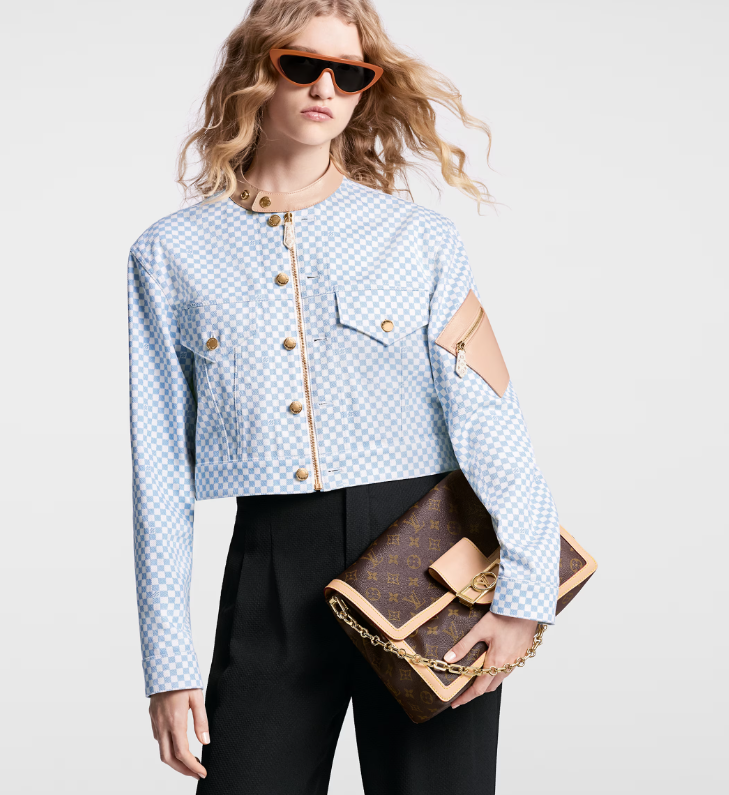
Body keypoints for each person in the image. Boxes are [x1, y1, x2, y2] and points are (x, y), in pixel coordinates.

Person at [126, 1, 561, 792]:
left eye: (350, 74)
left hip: (426, 563)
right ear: (254, 72)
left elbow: (490, 416)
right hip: (271, 568)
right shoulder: (169, 255)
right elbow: (158, 467)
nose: (326, 87)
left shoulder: (419, 240)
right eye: (302, 65)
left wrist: (525, 594)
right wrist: (168, 659)